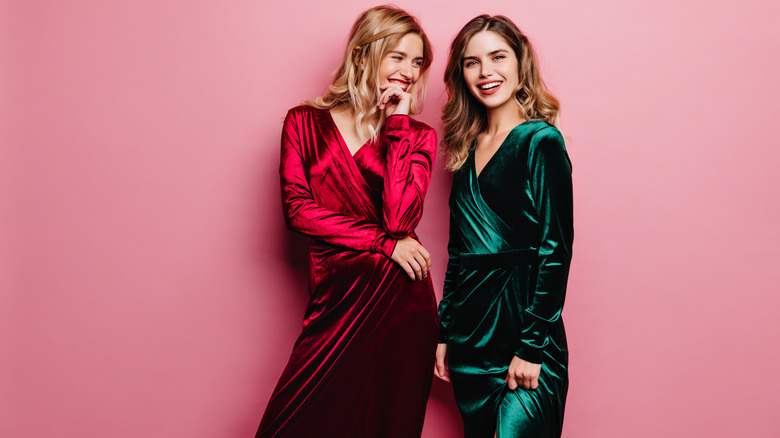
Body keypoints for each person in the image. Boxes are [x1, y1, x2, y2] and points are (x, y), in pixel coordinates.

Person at [256, 6, 438, 438]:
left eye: (417, 63)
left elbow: (400, 219)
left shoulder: (418, 136)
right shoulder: (304, 122)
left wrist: (396, 124)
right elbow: (298, 210)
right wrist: (384, 245)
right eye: (398, 57)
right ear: (362, 55)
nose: (409, 71)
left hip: (402, 307)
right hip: (335, 305)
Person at [434, 15, 573, 438]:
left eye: (497, 57)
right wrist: (445, 334)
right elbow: (458, 254)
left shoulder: (540, 141)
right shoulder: (464, 151)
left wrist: (532, 347)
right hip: (469, 344)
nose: (486, 72)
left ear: (519, 62)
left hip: (525, 341)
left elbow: (556, 251)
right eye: (472, 62)